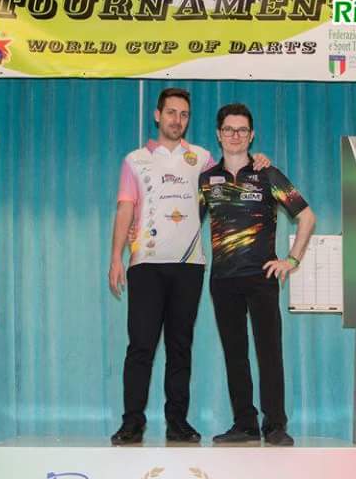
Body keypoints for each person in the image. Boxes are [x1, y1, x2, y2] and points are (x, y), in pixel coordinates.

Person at [108, 89, 270, 445]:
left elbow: (234, 169)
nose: (177, 120)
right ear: (157, 115)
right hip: (145, 264)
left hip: (190, 266)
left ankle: (177, 422)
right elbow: (125, 207)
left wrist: (257, 160)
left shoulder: (202, 159)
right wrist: (115, 257)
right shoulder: (134, 160)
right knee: (141, 346)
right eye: (171, 112)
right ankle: (132, 423)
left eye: (183, 114)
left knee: (180, 347)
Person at [198, 103, 315, 446]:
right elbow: (186, 222)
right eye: (229, 129)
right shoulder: (206, 179)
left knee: (269, 353)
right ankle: (245, 424)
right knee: (235, 355)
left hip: (261, 277)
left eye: (242, 130)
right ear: (219, 134)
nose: (235, 135)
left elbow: (307, 217)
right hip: (223, 280)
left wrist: (291, 260)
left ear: (251, 135)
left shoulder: (268, 174)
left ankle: (275, 424)